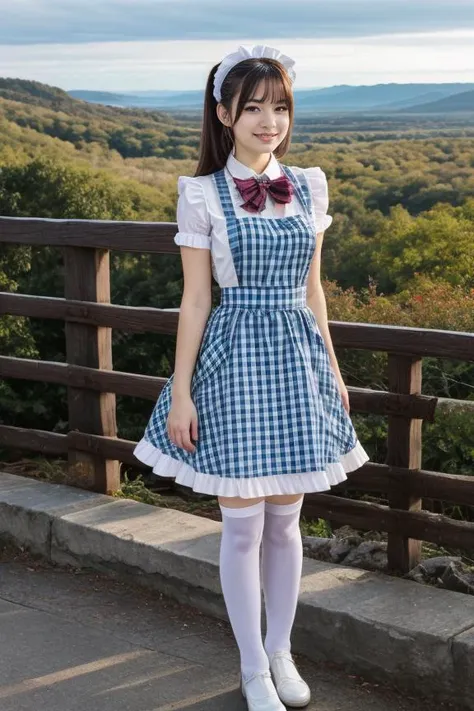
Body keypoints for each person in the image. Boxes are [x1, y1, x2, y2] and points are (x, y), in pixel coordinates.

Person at [134, 44, 370, 711]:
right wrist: (181, 392)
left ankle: (280, 649)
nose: (270, 121)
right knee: (242, 525)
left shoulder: (310, 185)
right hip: (232, 360)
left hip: (297, 362)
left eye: (281, 107)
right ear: (223, 114)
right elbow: (196, 300)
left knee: (287, 521)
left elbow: (315, 289)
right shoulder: (202, 193)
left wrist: (333, 367)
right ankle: (251, 666)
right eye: (255, 107)